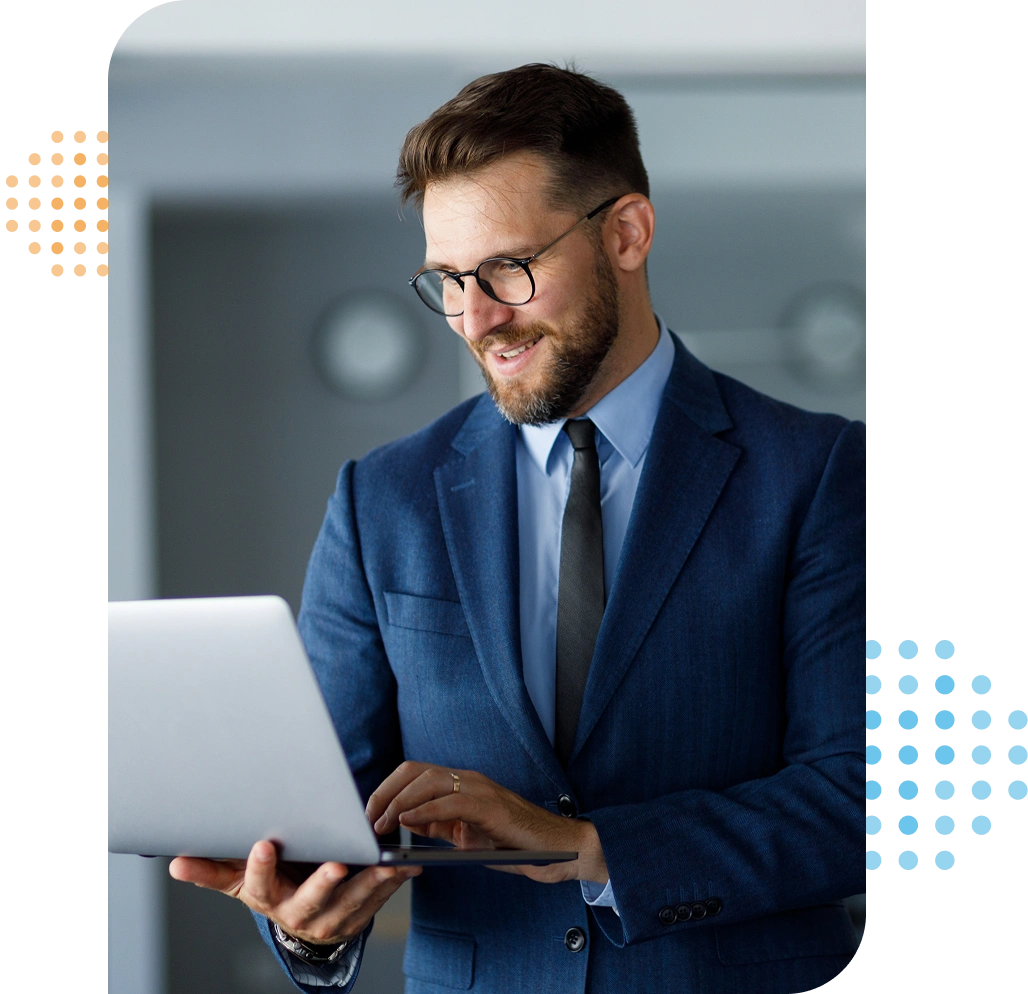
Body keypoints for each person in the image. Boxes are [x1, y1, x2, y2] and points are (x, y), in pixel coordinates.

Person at [170, 63, 865, 993]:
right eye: (448, 280)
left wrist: (589, 845)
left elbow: (887, 800)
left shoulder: (824, 473)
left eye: (507, 268)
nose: (476, 318)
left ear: (626, 232)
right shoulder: (382, 498)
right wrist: (307, 925)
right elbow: (322, 813)